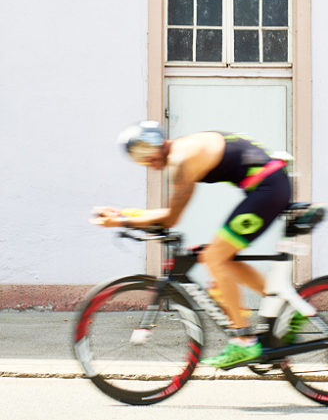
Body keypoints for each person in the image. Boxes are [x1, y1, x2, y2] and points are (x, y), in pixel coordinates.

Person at [92, 120, 292, 368]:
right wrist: (126, 216)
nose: (149, 162)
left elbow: (171, 218)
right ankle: (286, 306)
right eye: (140, 160)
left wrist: (123, 219)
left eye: (147, 153)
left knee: (214, 257)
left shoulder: (182, 161)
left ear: (159, 142)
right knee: (219, 256)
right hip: (268, 187)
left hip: (268, 190)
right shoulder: (185, 147)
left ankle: (244, 341)